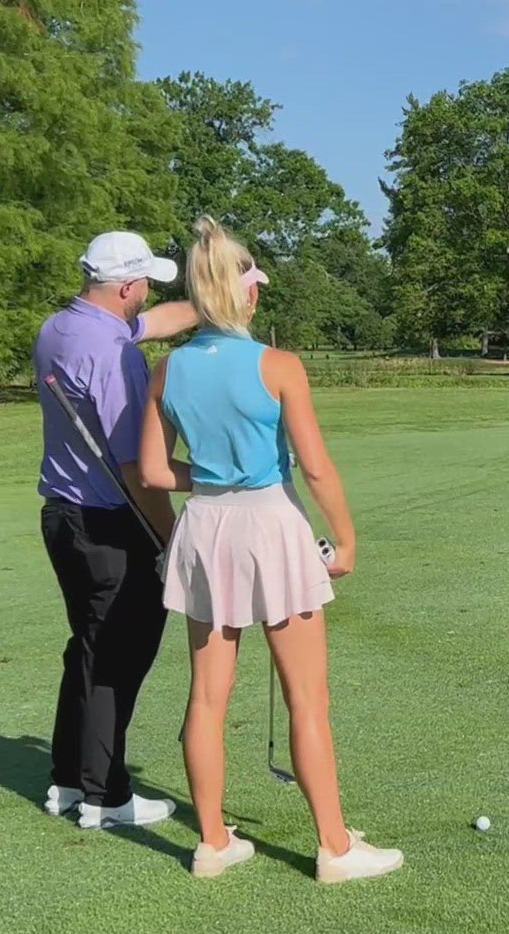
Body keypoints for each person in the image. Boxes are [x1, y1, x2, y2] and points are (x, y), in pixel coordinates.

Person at [139, 216, 403, 883]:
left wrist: (210, 478)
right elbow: (314, 467)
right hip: (270, 525)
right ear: (247, 293)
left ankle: (212, 842)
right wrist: (344, 538)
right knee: (307, 698)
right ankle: (335, 848)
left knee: (206, 697)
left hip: (205, 529)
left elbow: (152, 470)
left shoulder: (168, 369)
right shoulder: (278, 365)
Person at [35, 231, 200, 830]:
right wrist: (169, 539)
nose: (147, 294)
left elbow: (155, 322)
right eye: (145, 284)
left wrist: (214, 302)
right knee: (118, 658)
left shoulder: (62, 327)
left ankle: (68, 781)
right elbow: (139, 470)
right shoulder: (115, 356)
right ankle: (105, 794)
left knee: (86, 646)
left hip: (62, 516)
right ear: (127, 285)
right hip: (111, 523)